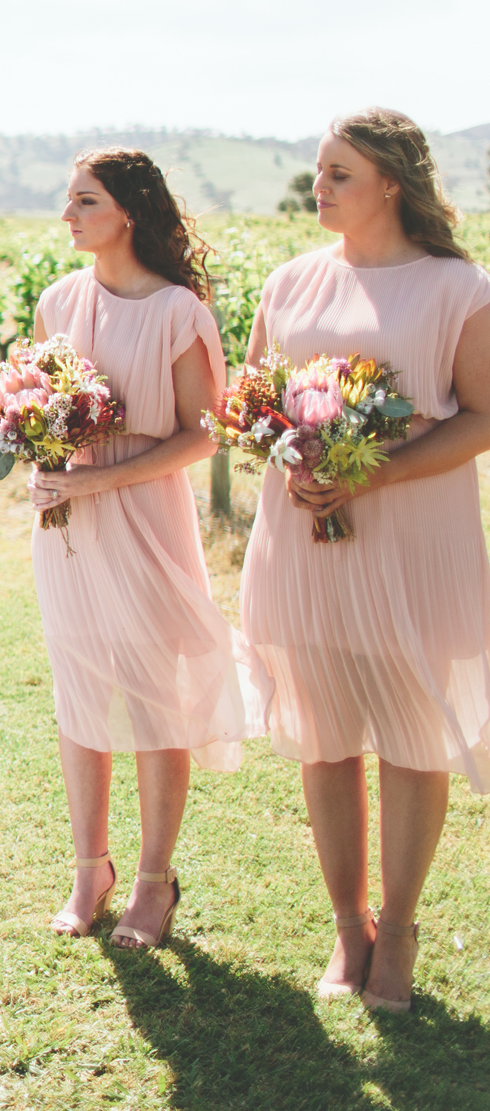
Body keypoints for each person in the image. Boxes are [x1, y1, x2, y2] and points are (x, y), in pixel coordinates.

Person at [239, 107, 490, 1013]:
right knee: (326, 733)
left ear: (392, 182)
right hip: (302, 537)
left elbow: (481, 415)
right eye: (318, 170)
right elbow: (253, 401)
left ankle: (403, 927)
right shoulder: (289, 282)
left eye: (338, 172)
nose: (319, 186)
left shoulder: (460, 288)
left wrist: (371, 469)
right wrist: (291, 455)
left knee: (414, 736)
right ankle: (348, 927)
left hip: (413, 540)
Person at [24, 150, 246, 949]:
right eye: (69, 199)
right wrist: (37, 452)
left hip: (146, 515)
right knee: (78, 685)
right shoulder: (56, 301)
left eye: (85, 199)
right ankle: (91, 869)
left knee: (156, 696)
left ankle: (154, 880)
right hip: (68, 526)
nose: (69, 213)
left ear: (128, 212)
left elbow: (204, 432)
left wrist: (99, 483)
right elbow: (32, 401)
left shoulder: (179, 311)